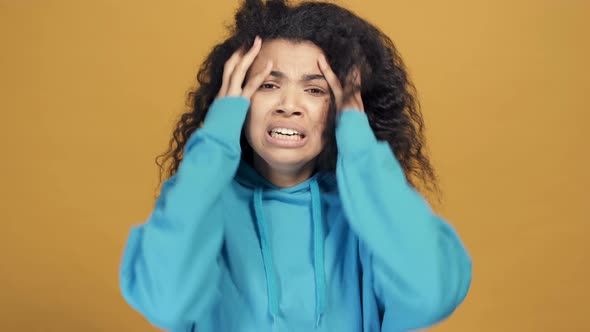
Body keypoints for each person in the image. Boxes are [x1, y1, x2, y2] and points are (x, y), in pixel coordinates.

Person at [119, 1, 472, 331]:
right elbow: (163, 301)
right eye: (268, 85)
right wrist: (214, 139)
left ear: (345, 106)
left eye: (316, 90)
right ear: (237, 98)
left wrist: (360, 147)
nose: (289, 106)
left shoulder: (369, 212)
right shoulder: (205, 205)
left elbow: (432, 292)